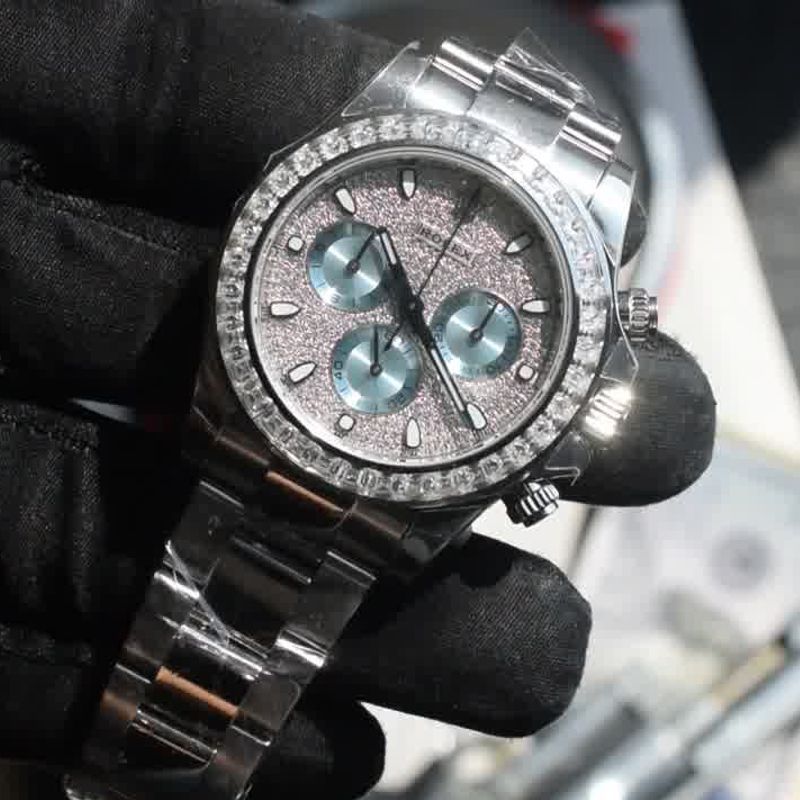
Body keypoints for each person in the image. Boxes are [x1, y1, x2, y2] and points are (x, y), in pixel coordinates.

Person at [0, 2, 715, 798]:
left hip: (359, 484)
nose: (414, 315)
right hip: (246, 406)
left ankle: (154, 774)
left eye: (481, 332)